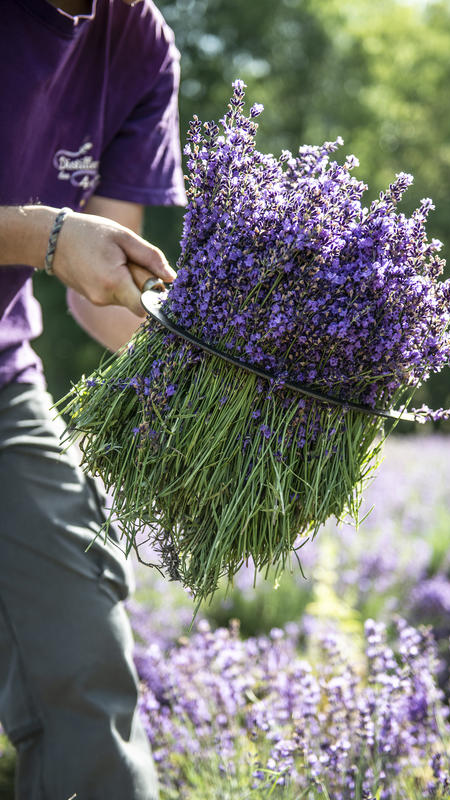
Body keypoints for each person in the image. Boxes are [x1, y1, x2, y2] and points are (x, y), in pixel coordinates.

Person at [0, 0, 186, 797]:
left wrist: (213, 380)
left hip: (2, 379)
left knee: (85, 650)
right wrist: (46, 235)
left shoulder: (137, 41)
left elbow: (102, 288)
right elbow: (63, 244)